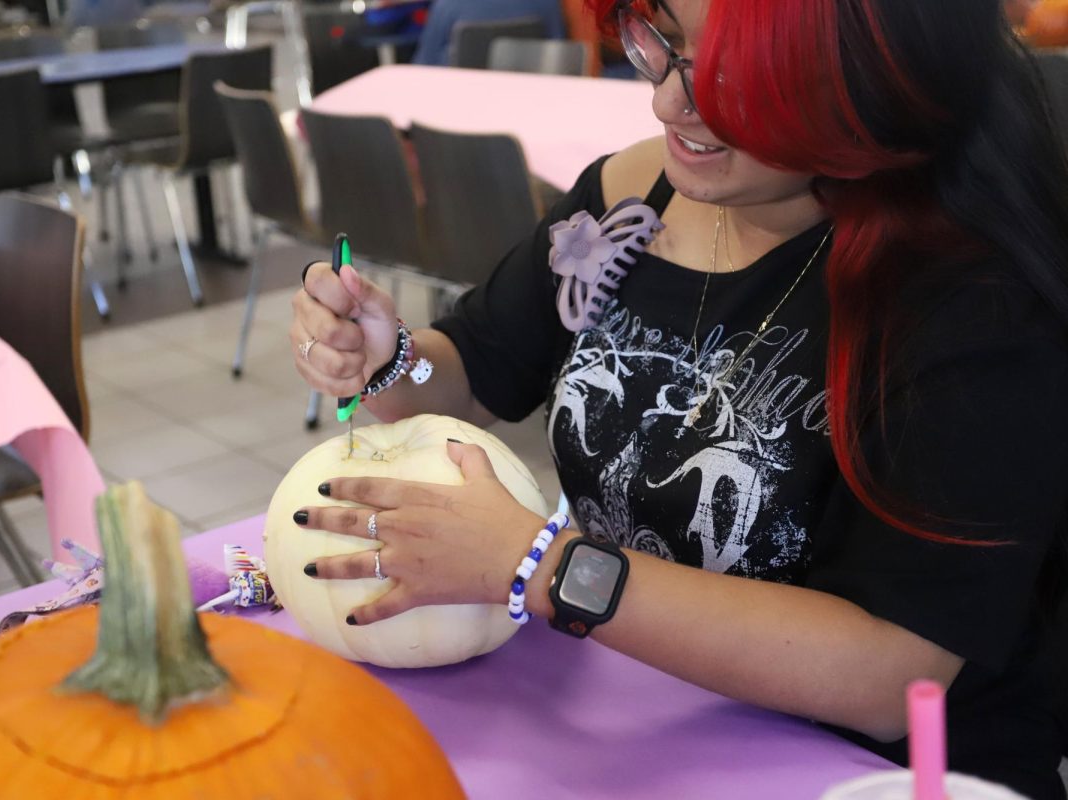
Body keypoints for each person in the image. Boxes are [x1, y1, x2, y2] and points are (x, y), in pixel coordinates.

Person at [290, 1, 1068, 797]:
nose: (667, 100)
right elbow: (475, 371)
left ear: (867, 84)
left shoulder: (971, 302)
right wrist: (392, 362)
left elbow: (890, 676)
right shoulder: (632, 199)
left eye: (736, 74)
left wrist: (547, 567)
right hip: (651, 716)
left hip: (873, 774)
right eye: (662, 42)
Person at [410, 0, 567, 66]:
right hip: (528, 107)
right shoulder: (548, 3)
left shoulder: (447, 6)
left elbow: (422, 67)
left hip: (455, 115)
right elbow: (561, 56)